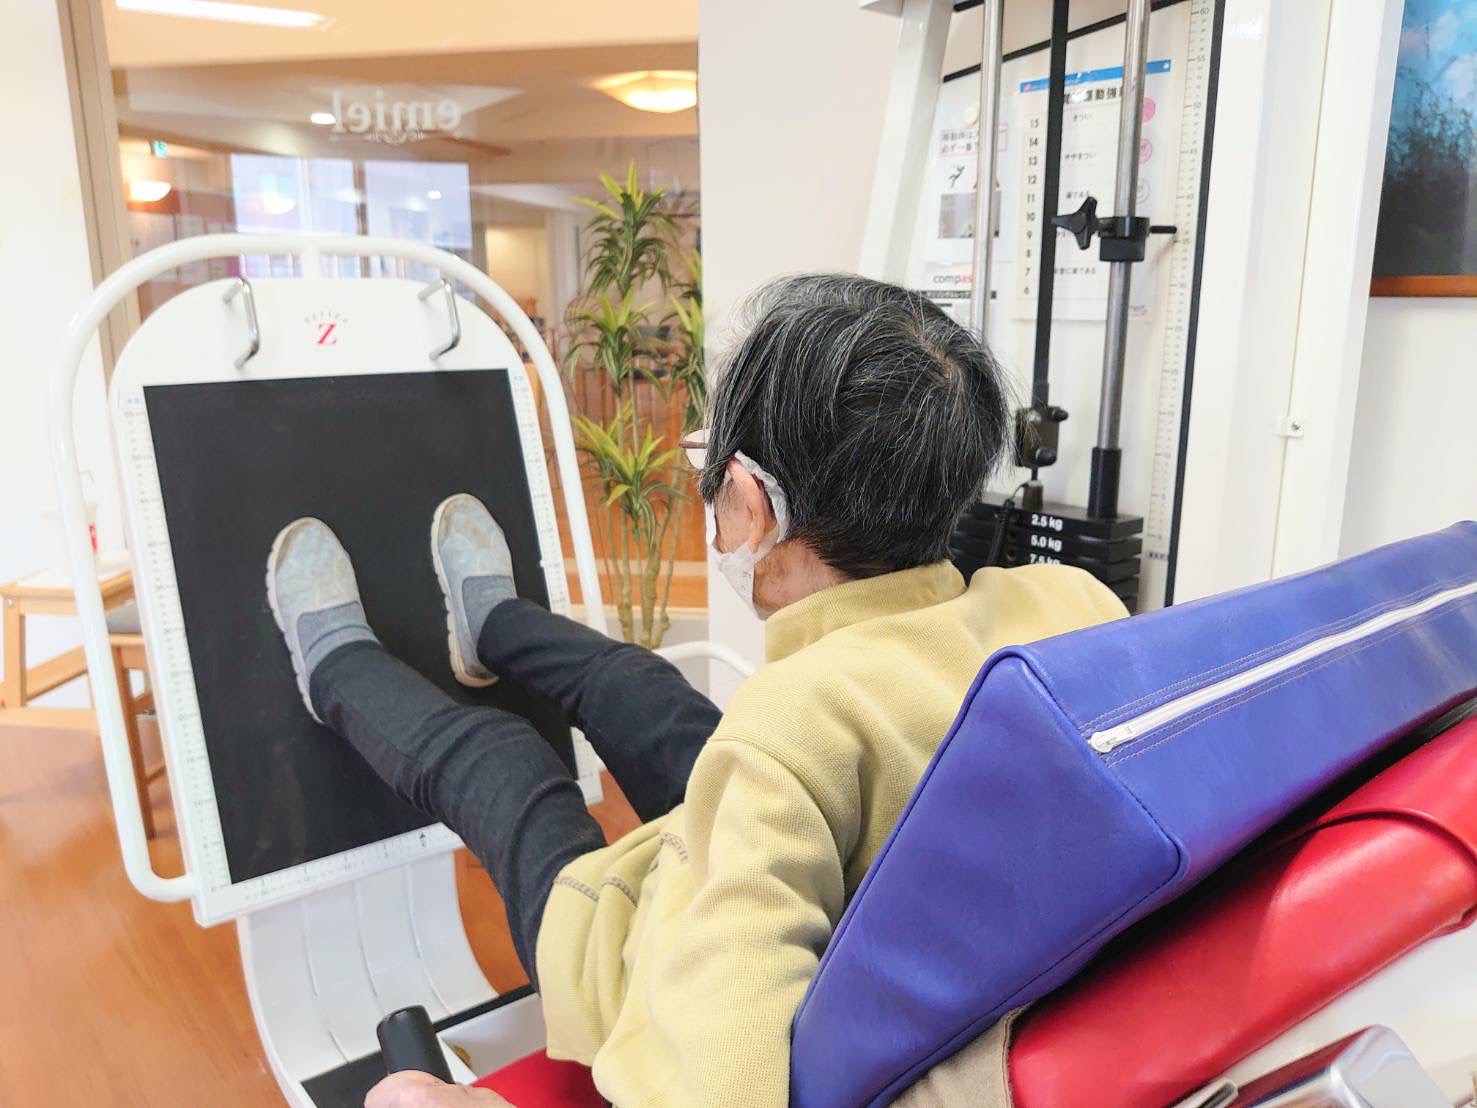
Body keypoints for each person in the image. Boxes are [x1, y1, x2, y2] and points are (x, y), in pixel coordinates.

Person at [264, 274, 1127, 1108]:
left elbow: (721, 1077)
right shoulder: (1070, 601)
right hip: (852, 860)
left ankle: (335, 662)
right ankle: (493, 623)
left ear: (748, 501)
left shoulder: (789, 724)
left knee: (502, 759)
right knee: (643, 687)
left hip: (647, 963)